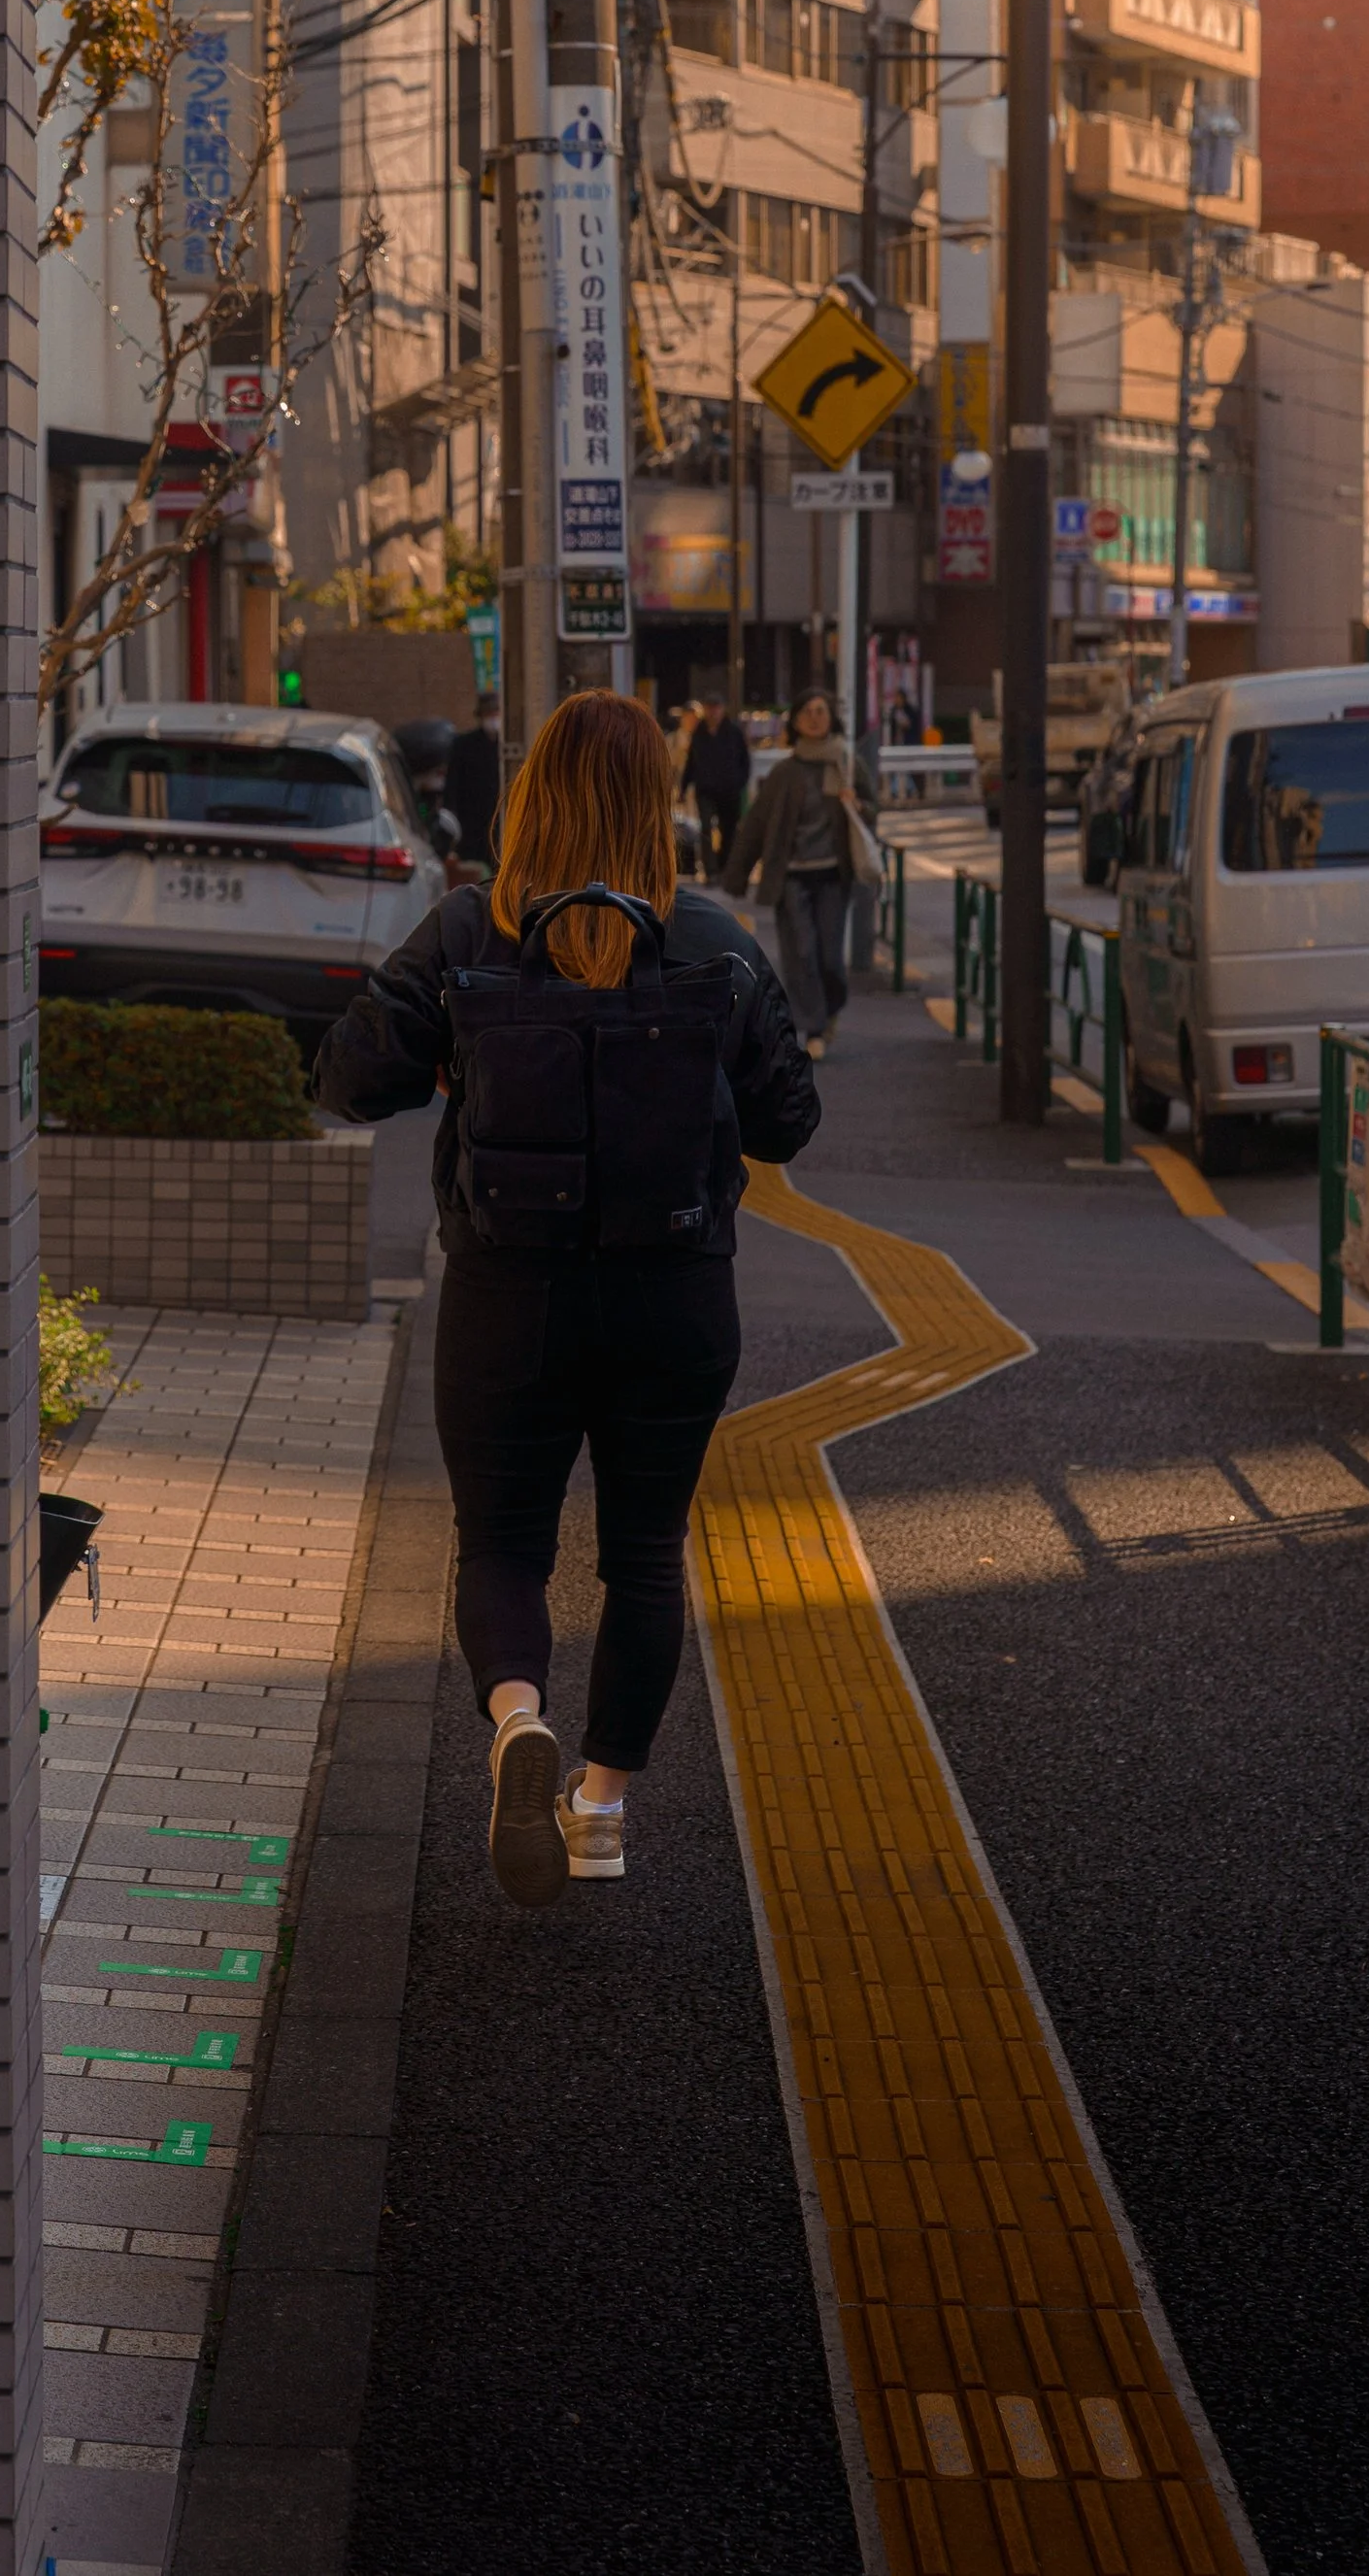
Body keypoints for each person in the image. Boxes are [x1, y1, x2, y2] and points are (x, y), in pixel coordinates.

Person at [315, 690, 818, 1906]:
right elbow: (788, 1123)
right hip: (674, 1299)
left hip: (508, 1295)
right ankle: (599, 1810)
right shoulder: (714, 939)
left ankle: (515, 1718)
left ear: (531, 793)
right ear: (656, 804)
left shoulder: (467, 931)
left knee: (501, 1542)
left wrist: (460, 1048)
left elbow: (347, 1080)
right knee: (644, 1553)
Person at [721, 688, 879, 1061]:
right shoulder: (785, 772)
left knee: (830, 959)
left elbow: (873, 810)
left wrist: (857, 804)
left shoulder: (846, 765)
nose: (814, 717)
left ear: (831, 717)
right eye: (807, 711)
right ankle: (814, 1028)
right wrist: (737, 874)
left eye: (821, 711)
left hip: (833, 875)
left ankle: (829, 1009)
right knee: (801, 954)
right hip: (791, 876)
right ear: (795, 721)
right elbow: (756, 823)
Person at [680, 693, 752, 881]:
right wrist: (683, 787)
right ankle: (711, 870)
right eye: (709, 707)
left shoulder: (733, 732)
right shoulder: (699, 733)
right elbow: (691, 762)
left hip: (729, 790)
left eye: (716, 707)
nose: (713, 712)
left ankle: (723, 866)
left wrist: (739, 782)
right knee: (706, 828)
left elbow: (744, 760)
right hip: (706, 789)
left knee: (728, 830)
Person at [443, 686, 503, 872]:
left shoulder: (508, 746)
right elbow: (452, 788)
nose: (492, 718)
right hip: (472, 828)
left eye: (496, 713)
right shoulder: (464, 746)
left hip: (502, 823)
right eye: (488, 714)